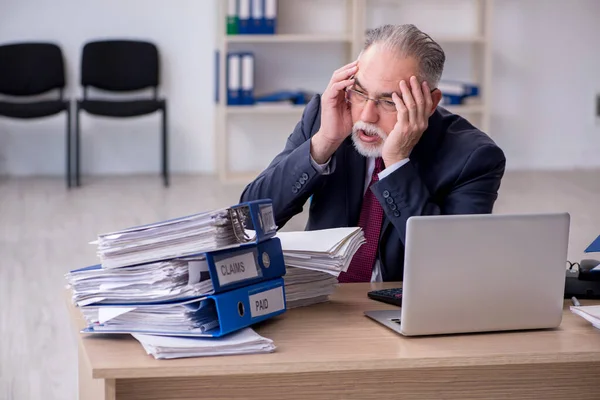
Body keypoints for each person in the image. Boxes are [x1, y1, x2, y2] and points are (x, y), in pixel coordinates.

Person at [239, 24, 506, 282]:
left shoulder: (474, 157)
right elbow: (247, 220)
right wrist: (323, 143)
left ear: (430, 102)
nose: (366, 115)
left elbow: (454, 264)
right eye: (359, 92)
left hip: (401, 307)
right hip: (321, 297)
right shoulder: (326, 117)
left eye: (390, 101)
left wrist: (396, 164)